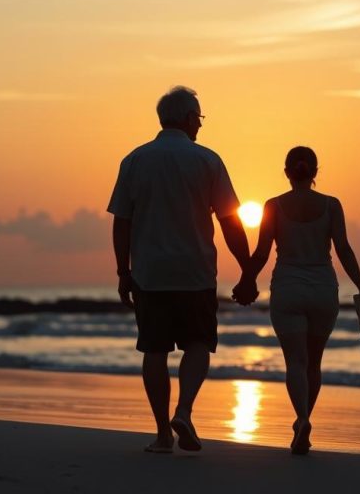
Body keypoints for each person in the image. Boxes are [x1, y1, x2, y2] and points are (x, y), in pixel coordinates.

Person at [108, 86, 258, 454]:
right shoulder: (207, 160)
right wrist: (248, 271)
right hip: (195, 270)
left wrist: (122, 271)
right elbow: (230, 222)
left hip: (150, 271)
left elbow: (121, 222)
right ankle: (185, 411)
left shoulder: (135, 160)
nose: (200, 126)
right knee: (197, 344)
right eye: (199, 119)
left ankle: (162, 435)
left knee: (154, 350)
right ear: (190, 119)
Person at [240, 145, 360, 455]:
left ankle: (301, 418)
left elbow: (261, 253)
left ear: (287, 172)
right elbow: (343, 249)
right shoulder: (331, 205)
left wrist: (246, 280)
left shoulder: (273, 206)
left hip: (287, 289)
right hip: (322, 291)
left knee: (295, 363)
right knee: (313, 363)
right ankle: (304, 419)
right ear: (315, 172)